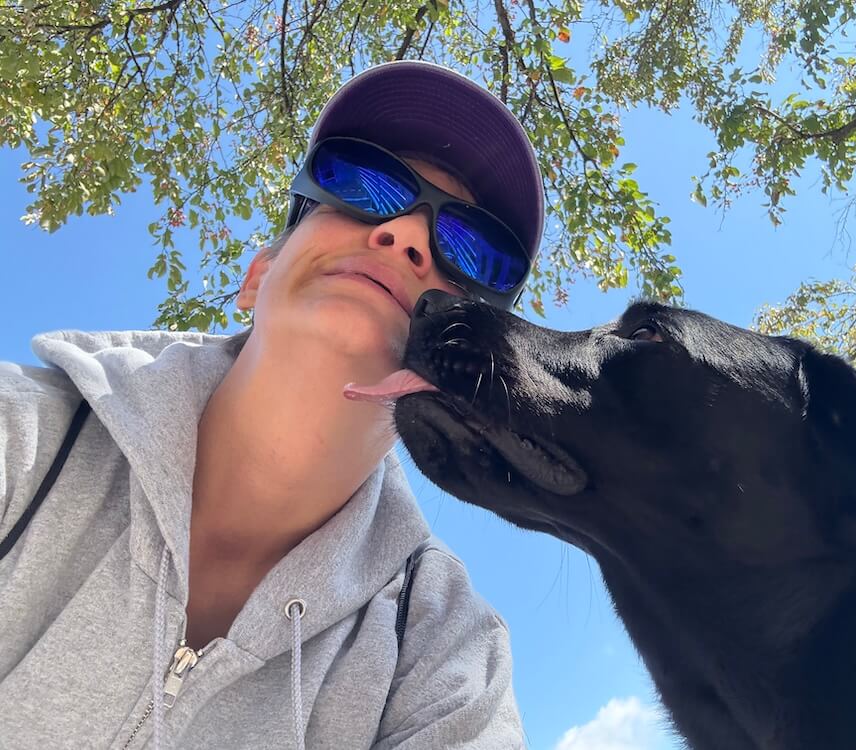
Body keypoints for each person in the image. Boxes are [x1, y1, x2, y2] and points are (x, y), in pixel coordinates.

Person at [0, 61, 544, 749]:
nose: (407, 236)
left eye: (471, 250)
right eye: (360, 184)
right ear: (258, 276)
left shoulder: (444, 658)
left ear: (455, 370)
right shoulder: (23, 441)